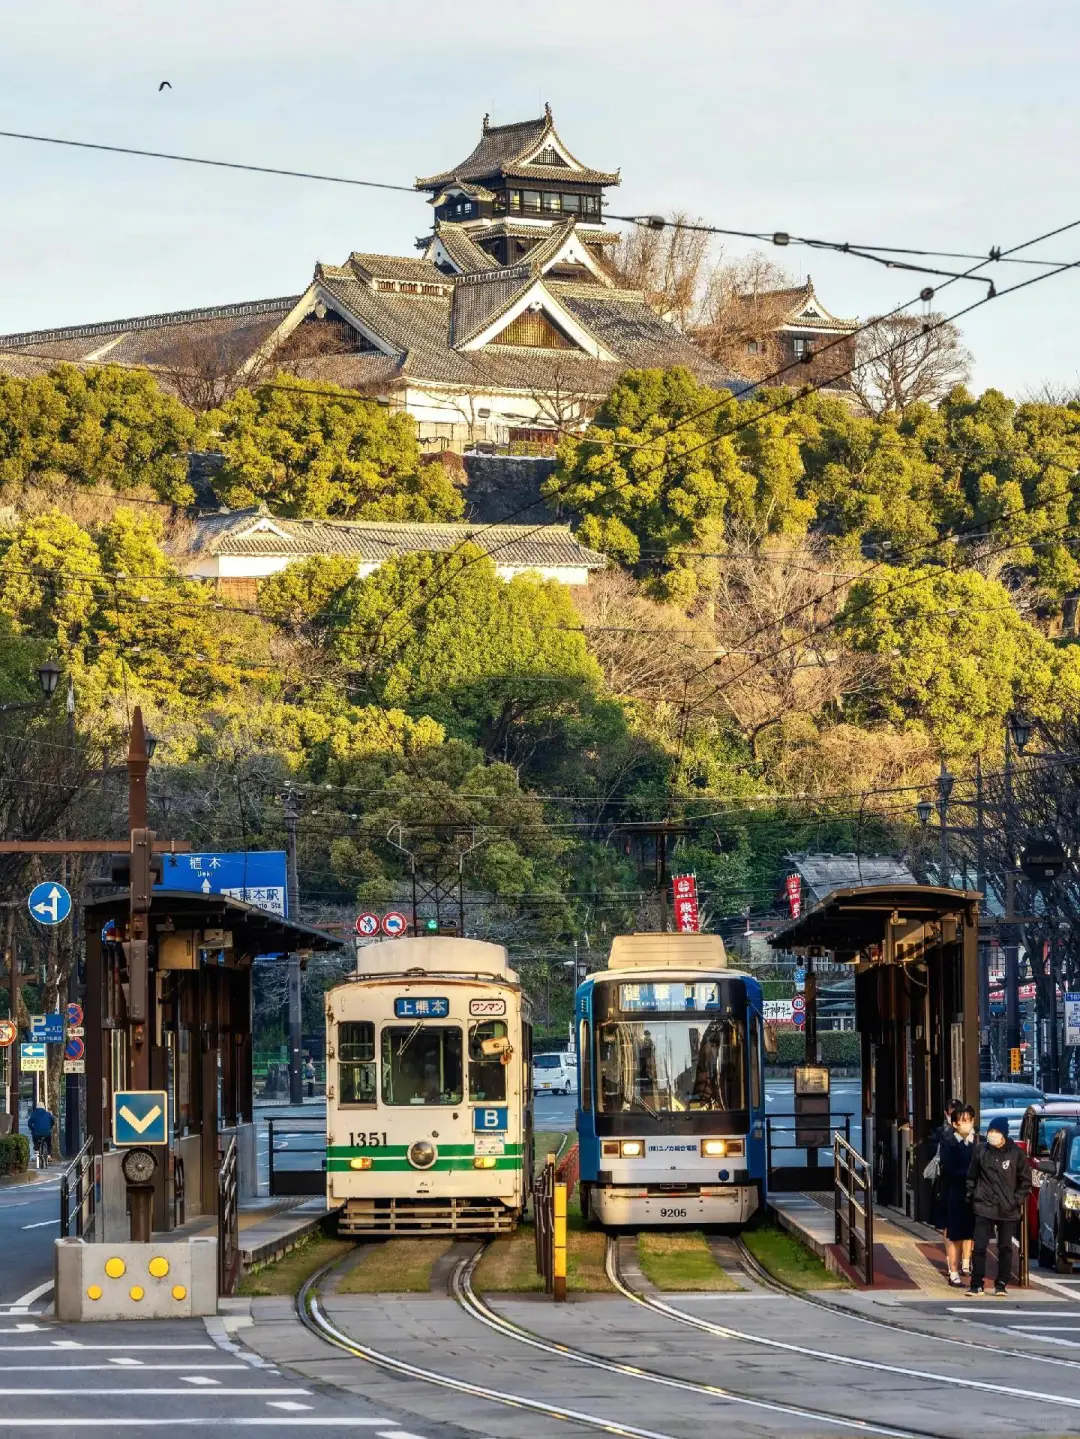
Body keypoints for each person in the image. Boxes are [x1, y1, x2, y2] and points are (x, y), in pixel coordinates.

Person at [966, 1114, 1032, 1296]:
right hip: (983, 1206)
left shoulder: (1016, 1153)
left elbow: (1025, 1180)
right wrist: (972, 1195)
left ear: (1004, 1133)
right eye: (990, 1131)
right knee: (979, 1247)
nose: (992, 1134)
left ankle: (1001, 1283)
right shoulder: (981, 1150)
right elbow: (972, 1176)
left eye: (996, 1131)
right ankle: (976, 1283)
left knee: (1005, 1247)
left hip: (1007, 1209)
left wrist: (1016, 1200)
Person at [940, 1104, 977, 1286]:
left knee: (970, 1232)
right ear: (955, 1124)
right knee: (954, 1234)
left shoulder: (978, 1142)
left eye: (969, 1120)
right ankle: (953, 1271)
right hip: (955, 1193)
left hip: (974, 1195)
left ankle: (966, 1263)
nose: (967, 1124)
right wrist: (971, 1174)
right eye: (963, 1121)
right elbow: (949, 1168)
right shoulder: (948, 1142)